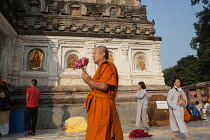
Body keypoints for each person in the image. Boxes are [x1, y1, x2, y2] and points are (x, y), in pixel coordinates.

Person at [81, 46, 123, 140]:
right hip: (98, 103)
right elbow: (97, 87)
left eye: (95, 53)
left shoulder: (107, 66)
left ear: (103, 54)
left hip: (103, 105)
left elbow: (104, 86)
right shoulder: (101, 68)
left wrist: (89, 81)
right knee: (95, 130)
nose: (93, 56)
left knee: (101, 131)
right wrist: (90, 80)